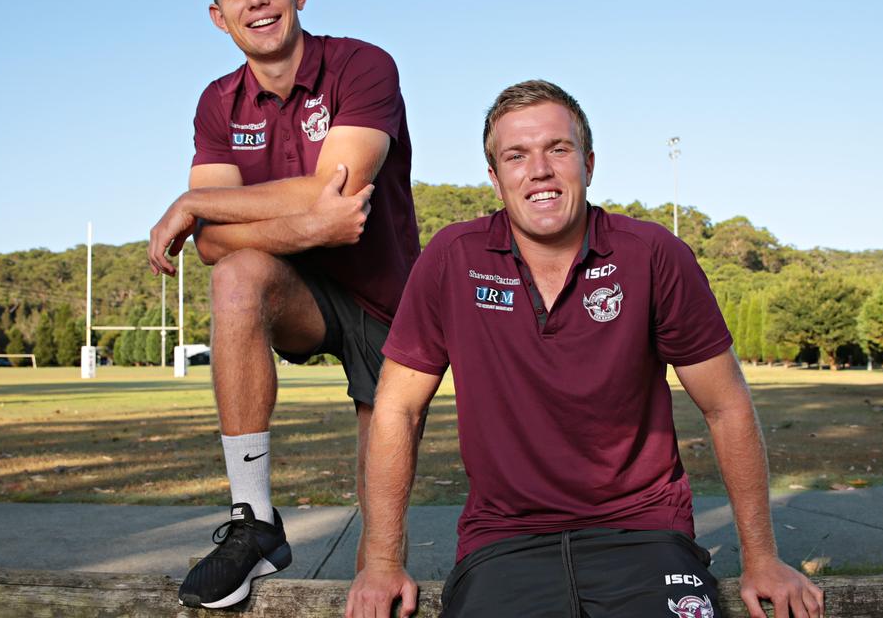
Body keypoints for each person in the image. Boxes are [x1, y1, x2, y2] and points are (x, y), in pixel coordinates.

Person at [346, 80, 823, 618]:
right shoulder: (451, 259)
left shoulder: (652, 255)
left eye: (558, 149)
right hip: (504, 539)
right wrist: (382, 562)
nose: (540, 170)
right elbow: (397, 408)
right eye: (516, 156)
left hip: (644, 532)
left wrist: (762, 558)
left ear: (588, 164)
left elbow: (726, 404)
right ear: (495, 178)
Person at [147, 0, 419, 610]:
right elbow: (214, 245)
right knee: (236, 275)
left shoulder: (362, 64)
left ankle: (377, 569)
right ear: (219, 16)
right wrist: (307, 225)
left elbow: (337, 190)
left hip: (383, 294)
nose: (256, 0)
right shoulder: (218, 102)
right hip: (297, 292)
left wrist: (194, 200)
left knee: (379, 542)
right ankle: (255, 522)